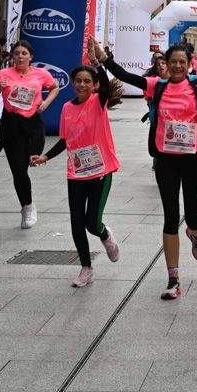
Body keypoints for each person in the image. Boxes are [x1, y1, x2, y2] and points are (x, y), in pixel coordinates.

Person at [96, 40, 197, 300]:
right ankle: (174, 279)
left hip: (195, 159)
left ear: (189, 64)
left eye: (182, 62)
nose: (176, 66)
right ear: (165, 64)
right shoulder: (157, 85)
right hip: (166, 160)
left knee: (193, 217)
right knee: (171, 217)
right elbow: (124, 75)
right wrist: (104, 59)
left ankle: (195, 236)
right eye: (173, 62)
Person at [31, 57, 122, 288]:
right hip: (77, 173)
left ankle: (104, 235)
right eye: (78, 81)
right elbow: (65, 140)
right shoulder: (67, 108)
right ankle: (86, 267)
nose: (82, 85)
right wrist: (45, 157)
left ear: (94, 85)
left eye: (87, 81)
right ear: (72, 83)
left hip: (101, 171)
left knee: (92, 222)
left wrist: (100, 61)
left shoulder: (99, 102)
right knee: (76, 222)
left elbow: (103, 81)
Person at [0, 41, 60, 229]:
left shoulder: (40, 73)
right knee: (19, 169)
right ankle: (27, 206)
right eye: (16, 53)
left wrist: (46, 103)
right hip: (11, 124)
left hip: (33, 124)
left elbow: (55, 87)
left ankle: (27, 201)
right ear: (12, 57)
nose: (20, 56)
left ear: (30, 57)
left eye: (24, 53)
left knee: (30, 161)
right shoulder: (3, 74)